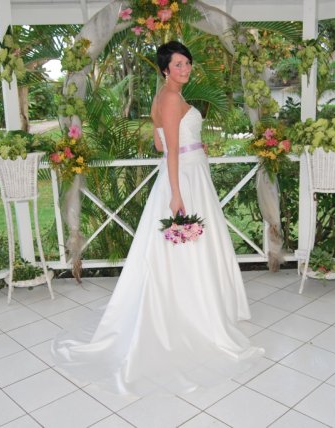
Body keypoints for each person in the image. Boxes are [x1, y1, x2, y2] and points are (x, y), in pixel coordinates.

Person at [52, 41, 263, 396]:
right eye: (178, 64)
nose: (185, 68)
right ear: (165, 69)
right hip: (184, 179)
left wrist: (195, 143)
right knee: (185, 247)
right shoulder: (170, 98)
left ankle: (200, 305)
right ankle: (192, 312)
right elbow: (171, 152)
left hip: (189, 171)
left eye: (187, 63)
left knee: (186, 247)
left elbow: (160, 144)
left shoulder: (165, 96)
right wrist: (177, 193)